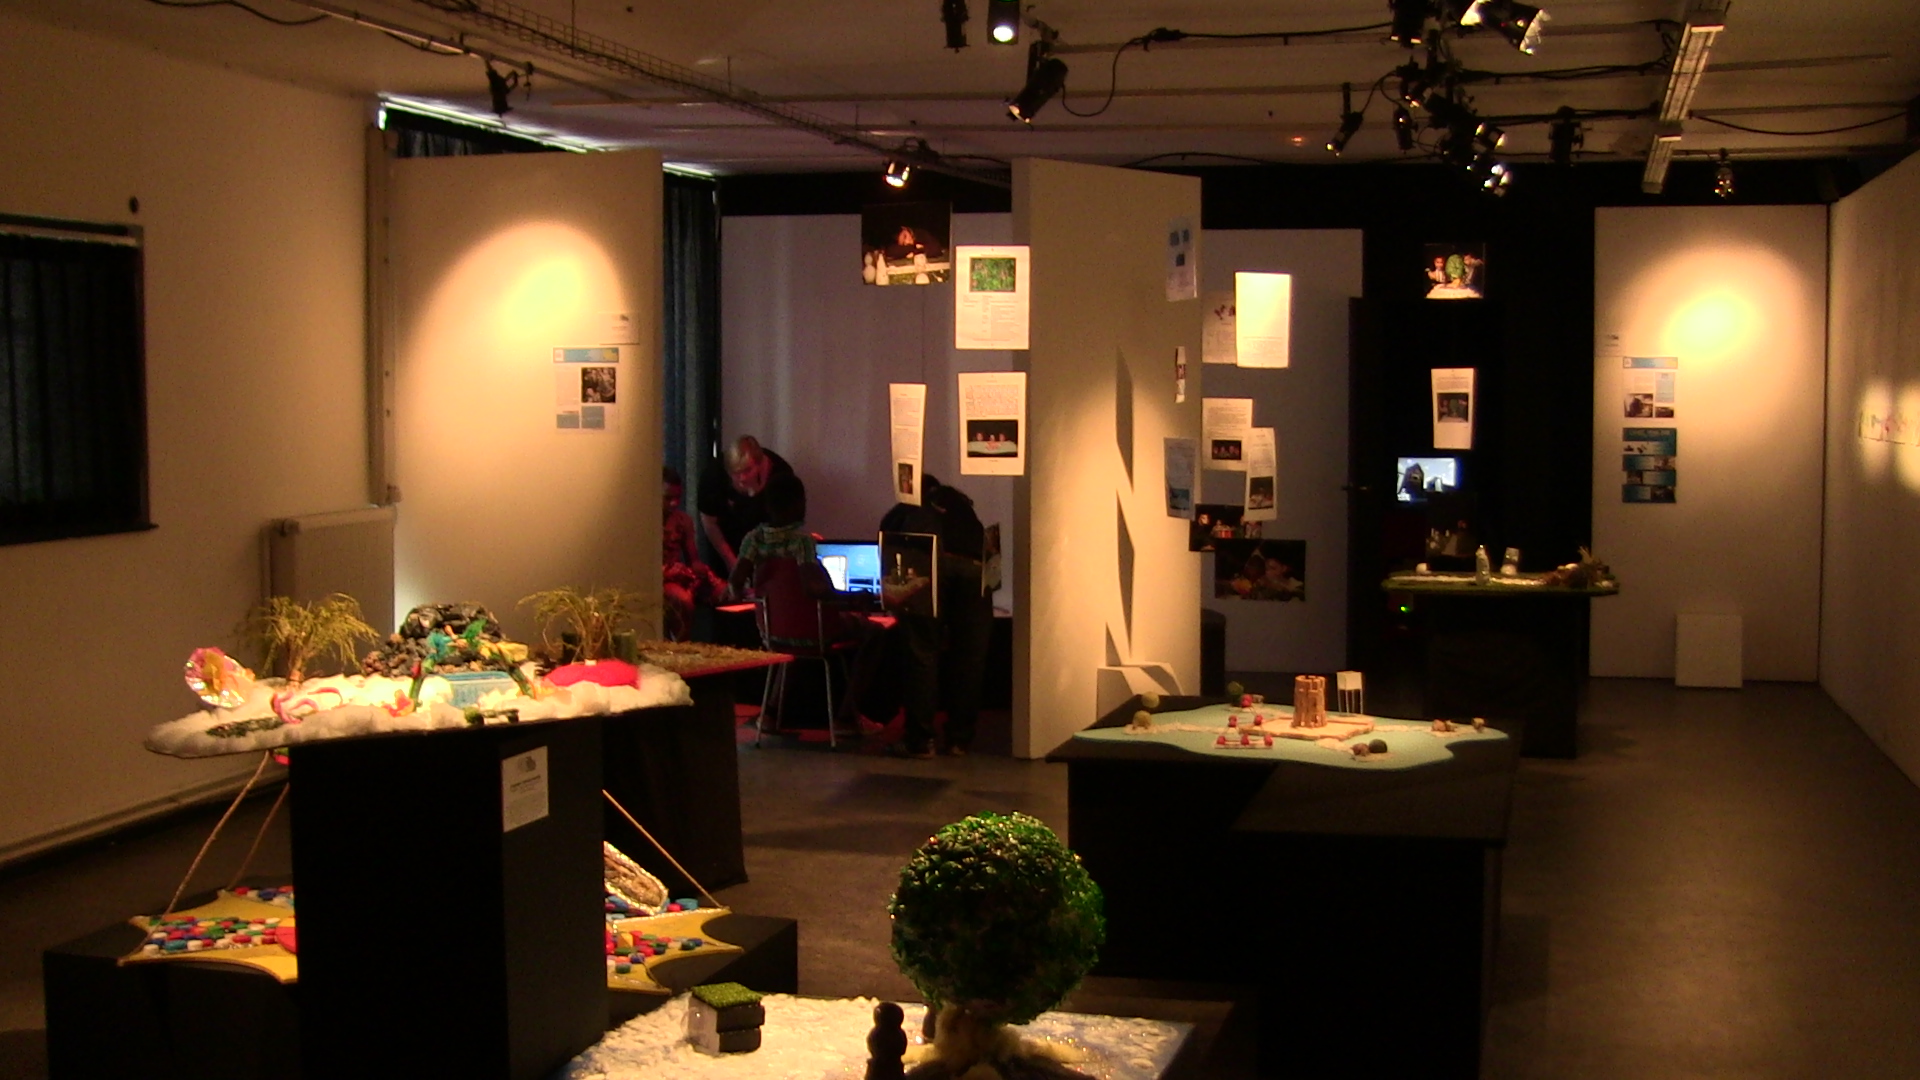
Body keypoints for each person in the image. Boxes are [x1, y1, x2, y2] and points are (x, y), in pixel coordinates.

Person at [871, 475, 993, 759]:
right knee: (969, 657)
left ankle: (920, 741)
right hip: (977, 567)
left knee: (921, 653)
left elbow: (888, 541)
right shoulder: (961, 505)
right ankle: (959, 740)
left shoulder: (909, 507)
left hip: (929, 564)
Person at [698, 435, 796, 573]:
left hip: (768, 546)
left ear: (759, 464)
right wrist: (731, 561)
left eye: (747, 470)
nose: (742, 478)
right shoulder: (713, 475)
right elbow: (710, 523)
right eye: (736, 473)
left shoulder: (781, 475)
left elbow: (785, 525)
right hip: (725, 543)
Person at [662, 466, 725, 641]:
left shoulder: (683, 520)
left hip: (679, 574)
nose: (674, 503)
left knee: (724, 592)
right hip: (659, 578)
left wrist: (699, 571)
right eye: (668, 498)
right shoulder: (644, 522)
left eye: (677, 498)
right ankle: (682, 645)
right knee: (683, 601)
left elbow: (694, 559)